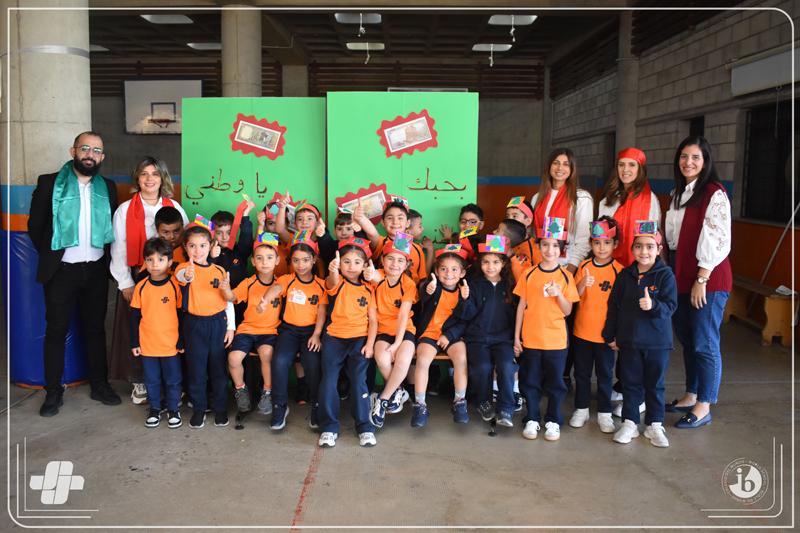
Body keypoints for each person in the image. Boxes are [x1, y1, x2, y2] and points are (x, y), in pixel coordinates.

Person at [28, 131, 121, 416]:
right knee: (56, 330)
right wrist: (55, 257)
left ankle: (99, 385)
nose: (90, 155)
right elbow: (36, 227)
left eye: (96, 150)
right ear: (73, 151)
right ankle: (53, 392)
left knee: (95, 329)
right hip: (62, 272)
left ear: (102, 157)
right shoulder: (49, 183)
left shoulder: (108, 187)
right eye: (85, 148)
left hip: (95, 270)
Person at [665, 136, 732, 429]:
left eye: (695, 157)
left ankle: (704, 404)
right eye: (684, 156)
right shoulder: (677, 194)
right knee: (688, 339)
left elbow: (718, 239)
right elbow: (673, 239)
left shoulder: (714, 193)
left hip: (708, 278)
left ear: (705, 162)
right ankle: (691, 394)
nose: (688, 162)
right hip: (680, 275)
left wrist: (701, 279)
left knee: (705, 341)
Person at [109, 156, 188, 405]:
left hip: (172, 277)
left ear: (162, 178)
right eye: (144, 174)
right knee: (137, 328)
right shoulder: (125, 210)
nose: (149, 179)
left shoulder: (174, 206)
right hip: (139, 277)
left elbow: (185, 239)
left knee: (168, 327)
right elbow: (118, 248)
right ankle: (140, 381)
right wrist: (126, 283)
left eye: (154, 174)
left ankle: (171, 382)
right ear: (137, 179)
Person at [602, 221, 677, 448]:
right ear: (632, 249)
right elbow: (613, 306)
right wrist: (610, 334)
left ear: (659, 249)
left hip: (657, 343)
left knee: (655, 385)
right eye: (639, 246)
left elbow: (671, 306)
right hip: (630, 342)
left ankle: (655, 425)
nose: (644, 251)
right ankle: (630, 422)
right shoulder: (625, 275)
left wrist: (653, 305)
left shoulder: (665, 275)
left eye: (650, 246)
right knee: (630, 383)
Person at [513, 217, 580, 442]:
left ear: (561, 250)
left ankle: (553, 419)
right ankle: (532, 417)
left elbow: (567, 310)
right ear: (539, 246)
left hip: (556, 341)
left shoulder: (566, 276)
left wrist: (558, 294)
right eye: (545, 245)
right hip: (531, 339)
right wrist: (516, 338)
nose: (549, 250)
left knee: (555, 383)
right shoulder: (528, 273)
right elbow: (521, 306)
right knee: (530, 381)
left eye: (554, 246)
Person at [317, 237, 378, 448]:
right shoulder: (337, 283)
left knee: (359, 381)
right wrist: (333, 270)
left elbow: (373, 321)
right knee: (329, 380)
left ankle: (364, 426)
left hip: (359, 340)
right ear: (339, 263)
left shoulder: (369, 289)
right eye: (346, 262)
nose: (351, 267)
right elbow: (331, 281)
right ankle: (328, 427)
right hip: (334, 338)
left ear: (365, 265)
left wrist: (370, 344)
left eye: (357, 262)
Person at [263, 232, 328, 430]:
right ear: (290, 261)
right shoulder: (287, 279)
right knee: (280, 361)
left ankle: (317, 405)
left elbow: (322, 312)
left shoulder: (321, 285)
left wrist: (316, 334)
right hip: (289, 331)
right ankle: (279, 406)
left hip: (311, 332)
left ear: (314, 260)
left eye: (306, 260)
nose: (301, 265)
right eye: (296, 260)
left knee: (312, 363)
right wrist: (265, 300)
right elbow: (275, 289)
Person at [174, 222, 236, 429]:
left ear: (211, 246)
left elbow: (228, 301)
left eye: (202, 245)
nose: (197, 250)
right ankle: (199, 409)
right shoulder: (184, 268)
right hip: (194, 325)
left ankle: (220, 409)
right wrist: (188, 275)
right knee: (197, 371)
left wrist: (231, 327)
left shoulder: (219, 270)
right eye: (192, 246)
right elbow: (182, 277)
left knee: (218, 370)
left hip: (218, 324)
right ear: (185, 247)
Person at [569, 218, 623, 434]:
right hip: (582, 332)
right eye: (597, 242)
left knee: (605, 375)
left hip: (605, 336)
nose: (602, 248)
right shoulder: (583, 266)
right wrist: (583, 284)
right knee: (581, 374)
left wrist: (617, 334)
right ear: (591, 244)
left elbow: (622, 307)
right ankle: (581, 409)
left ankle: (604, 413)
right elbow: (573, 297)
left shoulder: (619, 271)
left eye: (607, 242)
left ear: (615, 244)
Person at [221, 233, 282, 421]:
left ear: (277, 260)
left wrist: (266, 300)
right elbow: (232, 297)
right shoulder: (248, 283)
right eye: (260, 258)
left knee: (266, 354)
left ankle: (267, 392)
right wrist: (226, 289)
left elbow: (280, 289)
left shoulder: (282, 282)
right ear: (253, 262)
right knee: (233, 358)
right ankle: (241, 390)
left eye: (269, 258)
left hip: (269, 331)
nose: (264, 262)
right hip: (247, 330)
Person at [460, 234, 518, 428]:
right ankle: (483, 401)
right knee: (482, 367)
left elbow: (516, 315)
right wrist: (465, 299)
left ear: (503, 263)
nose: (490, 267)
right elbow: (467, 314)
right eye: (486, 262)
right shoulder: (474, 285)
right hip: (478, 338)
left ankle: (506, 407)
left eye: (495, 262)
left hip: (503, 339)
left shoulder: (510, 286)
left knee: (506, 366)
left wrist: (517, 339)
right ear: (480, 263)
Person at [411, 246, 470, 428]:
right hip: (429, 334)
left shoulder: (464, 291)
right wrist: (429, 290)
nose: (449, 274)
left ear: (462, 273)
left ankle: (459, 401)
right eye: (443, 269)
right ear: (436, 271)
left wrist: (465, 301)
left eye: (454, 269)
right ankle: (420, 404)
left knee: (461, 358)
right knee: (423, 360)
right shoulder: (432, 287)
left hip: (452, 335)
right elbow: (424, 296)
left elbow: (464, 320)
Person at [130, 237, 183, 429]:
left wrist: (181, 341)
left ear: (169, 262)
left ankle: (173, 410)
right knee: (151, 380)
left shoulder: (175, 285)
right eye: (150, 260)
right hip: (148, 345)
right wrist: (135, 342)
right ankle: (154, 409)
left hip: (170, 345)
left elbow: (181, 315)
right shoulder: (141, 287)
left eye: (160, 259)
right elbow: (134, 317)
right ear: (145, 262)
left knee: (173, 380)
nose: (155, 264)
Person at [368, 238, 417, 428]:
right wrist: (369, 273)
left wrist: (397, 343)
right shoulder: (377, 277)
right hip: (382, 330)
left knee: (403, 360)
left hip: (404, 330)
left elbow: (404, 315)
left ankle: (382, 400)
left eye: (400, 260)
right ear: (382, 260)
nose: (395, 264)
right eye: (390, 259)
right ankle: (399, 391)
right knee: (382, 359)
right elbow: (374, 276)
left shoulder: (408, 284)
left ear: (406, 264)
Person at [531, 148, 592, 274]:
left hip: (565, 266)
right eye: (556, 163)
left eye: (566, 164)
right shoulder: (537, 198)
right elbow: (532, 234)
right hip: (538, 264)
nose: (560, 168)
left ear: (572, 169)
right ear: (549, 166)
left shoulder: (581, 198)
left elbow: (584, 240)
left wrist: (570, 270)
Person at [599, 148, 661, 267]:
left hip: (639, 265)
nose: (625, 169)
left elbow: (653, 238)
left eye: (632, 165)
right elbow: (601, 234)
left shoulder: (649, 200)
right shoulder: (609, 198)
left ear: (640, 169)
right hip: (609, 264)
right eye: (621, 165)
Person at [354, 199, 428, 283]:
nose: (395, 222)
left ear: (407, 223)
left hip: (411, 290)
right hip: (383, 290)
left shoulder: (417, 249)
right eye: (390, 218)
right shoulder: (380, 242)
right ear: (383, 222)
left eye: (400, 218)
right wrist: (361, 218)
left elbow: (422, 278)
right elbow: (372, 233)